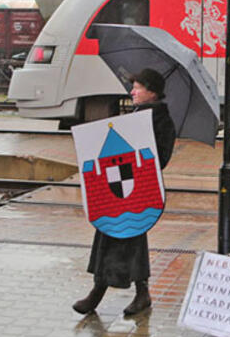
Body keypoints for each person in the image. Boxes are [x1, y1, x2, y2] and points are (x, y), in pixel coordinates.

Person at [73, 68, 176, 316]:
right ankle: (136, 293)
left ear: (151, 92)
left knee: (127, 236)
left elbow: (159, 159)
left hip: (137, 192)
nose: (132, 91)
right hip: (115, 190)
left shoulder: (161, 120)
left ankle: (104, 293)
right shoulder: (138, 115)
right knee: (115, 233)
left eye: (138, 87)